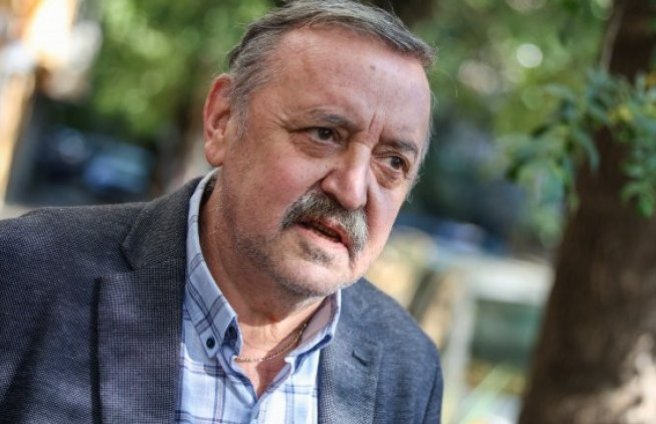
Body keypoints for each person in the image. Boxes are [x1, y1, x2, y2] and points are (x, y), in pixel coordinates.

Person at [0, 1, 442, 422]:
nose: (351, 191)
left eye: (393, 162)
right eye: (324, 134)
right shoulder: (24, 274)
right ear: (223, 120)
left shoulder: (408, 367)